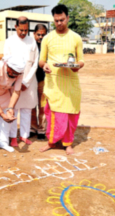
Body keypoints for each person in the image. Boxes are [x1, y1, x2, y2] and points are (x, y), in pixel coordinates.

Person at [39, 4, 85, 155]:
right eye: (56, 20)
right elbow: (41, 61)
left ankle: (68, 143)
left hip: (70, 83)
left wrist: (74, 67)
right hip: (53, 83)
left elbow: (81, 61)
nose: (59, 23)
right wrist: (44, 65)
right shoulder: (47, 38)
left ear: (68, 18)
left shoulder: (76, 38)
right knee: (53, 115)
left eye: (62, 20)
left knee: (70, 114)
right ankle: (51, 142)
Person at [4, 16, 39, 147]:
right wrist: (16, 82)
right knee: (14, 109)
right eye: (21, 30)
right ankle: (13, 137)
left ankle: (24, 136)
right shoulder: (9, 42)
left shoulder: (32, 42)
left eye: (26, 30)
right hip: (14, 82)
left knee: (26, 110)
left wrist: (26, 82)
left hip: (29, 82)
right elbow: (6, 62)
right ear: (16, 27)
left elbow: (35, 62)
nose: (24, 33)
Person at [31, 24, 48, 140]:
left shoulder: (47, 47)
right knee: (31, 105)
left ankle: (42, 130)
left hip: (43, 80)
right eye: (38, 34)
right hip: (31, 81)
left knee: (42, 106)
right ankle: (32, 128)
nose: (41, 37)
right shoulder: (30, 46)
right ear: (34, 34)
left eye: (43, 34)